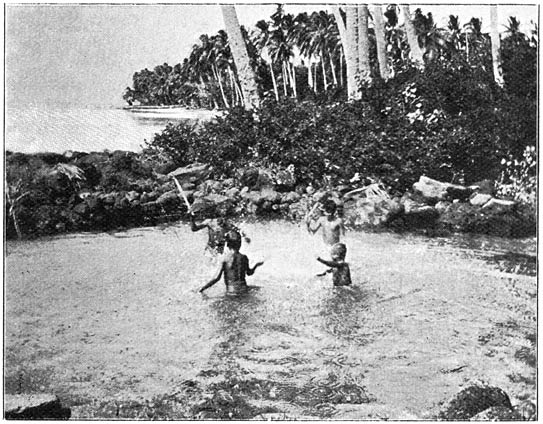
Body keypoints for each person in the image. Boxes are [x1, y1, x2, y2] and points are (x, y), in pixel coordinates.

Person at [199, 231, 263, 294]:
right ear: (240, 243)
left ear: (228, 244)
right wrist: (256, 265)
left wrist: (202, 289)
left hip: (231, 290)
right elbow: (249, 273)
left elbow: (216, 278)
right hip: (243, 289)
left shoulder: (225, 258)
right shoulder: (244, 257)